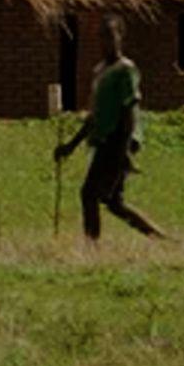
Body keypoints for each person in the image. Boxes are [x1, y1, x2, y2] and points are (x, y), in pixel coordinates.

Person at [54, 49, 166, 241]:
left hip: (118, 138)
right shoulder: (101, 72)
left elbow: (129, 111)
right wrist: (71, 145)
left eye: (111, 36)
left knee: (89, 194)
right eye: (103, 37)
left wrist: (124, 149)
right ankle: (160, 238)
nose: (107, 42)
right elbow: (94, 115)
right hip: (105, 139)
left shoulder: (125, 70)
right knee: (113, 202)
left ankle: (91, 246)